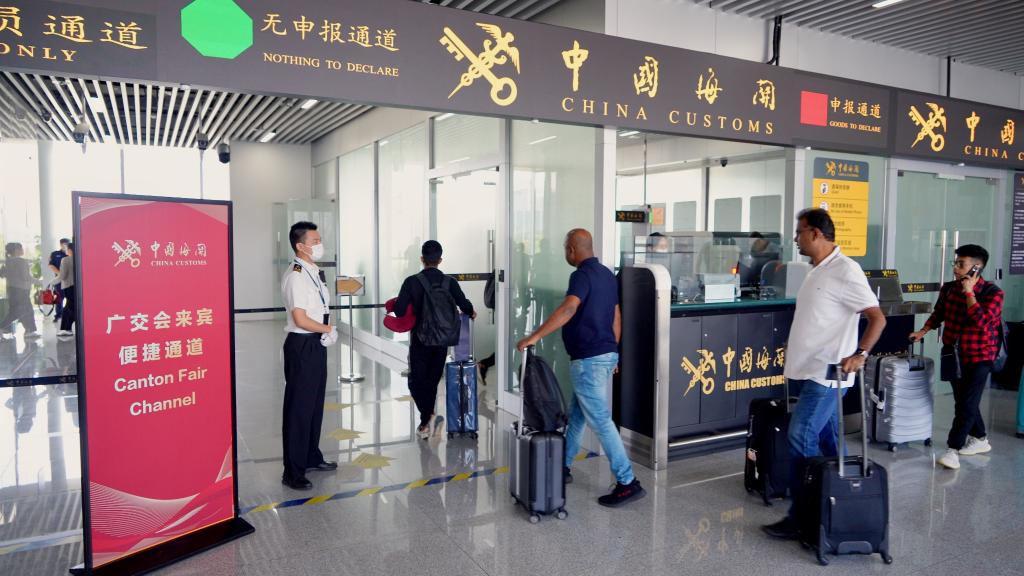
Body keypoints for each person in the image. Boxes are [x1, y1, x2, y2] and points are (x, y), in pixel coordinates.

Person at [762, 209, 886, 539]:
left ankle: (803, 514)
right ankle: (841, 502)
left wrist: (860, 353)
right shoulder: (816, 269)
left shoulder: (846, 270)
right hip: (809, 369)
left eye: (800, 232)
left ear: (816, 233)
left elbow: (877, 317)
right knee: (830, 443)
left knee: (800, 434)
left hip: (827, 375)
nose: (796, 239)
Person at [516, 229, 645, 508]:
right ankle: (562, 466)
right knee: (577, 416)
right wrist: (613, 352)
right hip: (604, 355)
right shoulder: (607, 275)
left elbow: (568, 309)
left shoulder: (581, 276)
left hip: (588, 360)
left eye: (566, 248)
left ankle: (627, 482)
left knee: (601, 421)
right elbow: (616, 316)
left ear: (572, 249)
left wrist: (534, 337)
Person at [910, 244, 1003, 470]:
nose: (955, 268)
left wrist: (970, 293)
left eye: (961, 264)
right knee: (963, 401)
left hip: (980, 356)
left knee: (966, 404)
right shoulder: (949, 289)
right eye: (956, 263)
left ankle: (953, 450)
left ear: (976, 268)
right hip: (953, 353)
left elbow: (982, 322)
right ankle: (980, 438)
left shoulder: (993, 293)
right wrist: (923, 330)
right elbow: (939, 313)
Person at [394, 240, 476, 439]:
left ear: (422, 259)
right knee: (432, 380)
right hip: (442, 340)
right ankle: (427, 419)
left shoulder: (411, 282)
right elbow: (464, 304)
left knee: (416, 380)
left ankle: (427, 418)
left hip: (420, 339)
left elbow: (400, 311)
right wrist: (470, 311)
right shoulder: (450, 282)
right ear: (440, 260)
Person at [280, 222, 338, 490]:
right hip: (302, 345)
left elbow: (320, 309)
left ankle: (311, 456)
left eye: (319, 239)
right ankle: (293, 472)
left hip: (315, 343)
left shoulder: (312, 271)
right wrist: (328, 329)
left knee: (314, 406)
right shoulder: (296, 276)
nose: (319, 244)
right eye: (315, 241)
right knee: (299, 410)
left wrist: (325, 330)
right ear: (300, 246)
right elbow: (300, 319)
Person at [0, 243, 39, 339]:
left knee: (16, 311)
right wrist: (40, 282)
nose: (23, 250)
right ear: (16, 250)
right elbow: (26, 277)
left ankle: (28, 330)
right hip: (21, 291)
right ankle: (29, 331)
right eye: (21, 248)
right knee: (26, 311)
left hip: (11, 290)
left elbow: (3, 275)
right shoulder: (22, 261)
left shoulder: (7, 261)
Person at [48, 238, 70, 324]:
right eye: (64, 244)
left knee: (71, 298)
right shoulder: (55, 254)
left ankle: (70, 315)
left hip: (71, 280)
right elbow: (51, 265)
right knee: (59, 298)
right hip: (59, 280)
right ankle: (58, 315)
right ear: (61, 244)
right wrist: (60, 274)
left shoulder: (73, 253)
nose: (66, 246)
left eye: (67, 244)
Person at [57, 242, 76, 338]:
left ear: (69, 250)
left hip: (68, 286)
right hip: (77, 287)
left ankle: (66, 329)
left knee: (70, 308)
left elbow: (63, 276)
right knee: (68, 307)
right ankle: (65, 328)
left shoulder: (65, 260)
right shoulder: (80, 258)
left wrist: (52, 282)